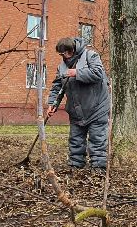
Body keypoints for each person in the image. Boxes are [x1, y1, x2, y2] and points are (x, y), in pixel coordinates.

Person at [47, 37, 111, 169]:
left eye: (67, 53)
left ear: (73, 50)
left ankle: (98, 169)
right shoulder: (62, 67)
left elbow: (98, 73)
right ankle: (75, 167)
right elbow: (57, 86)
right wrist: (52, 103)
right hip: (76, 110)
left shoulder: (90, 56)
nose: (65, 57)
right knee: (75, 141)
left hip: (97, 107)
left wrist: (77, 72)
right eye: (62, 54)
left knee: (97, 141)